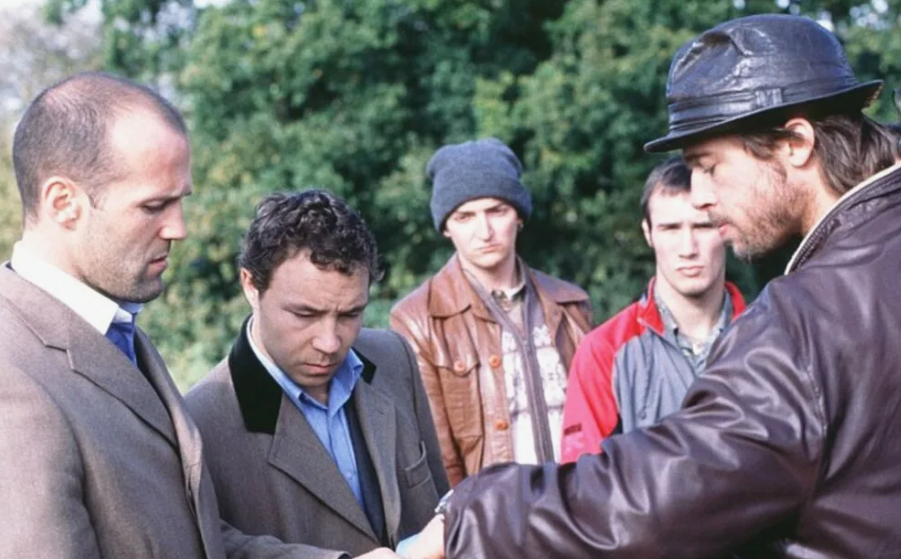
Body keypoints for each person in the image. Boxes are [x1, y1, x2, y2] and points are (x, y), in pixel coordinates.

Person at [410, 14, 901, 558]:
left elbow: (661, 495)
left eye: (709, 166)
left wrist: (472, 517)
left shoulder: (807, 319)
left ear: (796, 142)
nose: (701, 197)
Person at [0, 72, 317, 558]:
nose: (178, 229)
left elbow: (192, 539)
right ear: (64, 203)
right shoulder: (12, 376)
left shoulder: (113, 328)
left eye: (180, 201)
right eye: (154, 206)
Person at [185, 190, 449, 559]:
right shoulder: (197, 424)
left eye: (350, 314)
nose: (330, 343)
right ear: (250, 286)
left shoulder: (394, 357)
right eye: (305, 315)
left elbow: (438, 504)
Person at [389, 137, 593, 487]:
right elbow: (437, 456)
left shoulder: (570, 303)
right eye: (465, 216)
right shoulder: (418, 319)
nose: (484, 232)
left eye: (497, 211)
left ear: (519, 216)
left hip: (580, 500)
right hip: (494, 510)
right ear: (446, 227)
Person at [560, 156, 745, 462]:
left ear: (725, 228)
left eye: (703, 226)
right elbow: (584, 481)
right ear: (648, 233)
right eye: (671, 228)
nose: (688, 248)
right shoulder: (604, 351)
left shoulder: (767, 338)